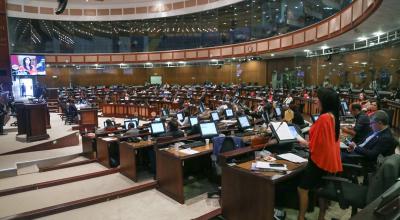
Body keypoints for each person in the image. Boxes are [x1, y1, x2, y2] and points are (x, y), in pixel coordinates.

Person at [297, 88, 342, 220]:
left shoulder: (324, 118)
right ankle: (321, 216)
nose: (316, 100)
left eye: (318, 98)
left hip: (319, 160)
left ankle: (301, 217)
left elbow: (314, 145)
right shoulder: (333, 116)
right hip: (329, 160)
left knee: (302, 188)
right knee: (321, 188)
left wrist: (301, 141)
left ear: (325, 101)